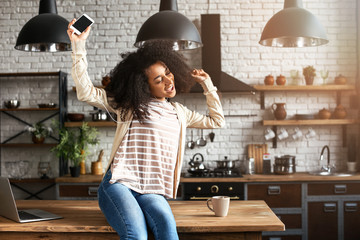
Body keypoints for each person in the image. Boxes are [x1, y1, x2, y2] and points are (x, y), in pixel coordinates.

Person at [67, 18, 225, 240]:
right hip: (118, 184)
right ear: (145, 85)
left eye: (168, 73)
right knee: (137, 235)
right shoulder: (130, 106)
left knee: (169, 233)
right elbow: (85, 92)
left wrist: (207, 85)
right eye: (158, 80)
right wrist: (78, 45)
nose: (168, 81)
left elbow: (217, 121)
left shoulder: (179, 112)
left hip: (151, 189)